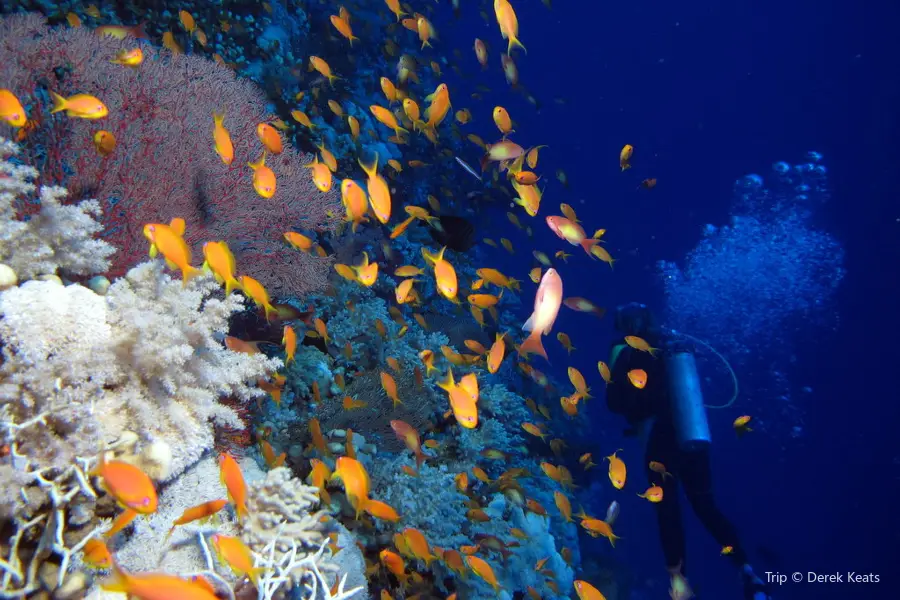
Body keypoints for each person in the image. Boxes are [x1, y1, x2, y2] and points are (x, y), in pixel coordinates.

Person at [605, 302, 771, 600]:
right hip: (692, 435)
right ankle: (748, 572)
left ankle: (679, 584)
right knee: (706, 506)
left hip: (660, 439)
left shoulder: (627, 349)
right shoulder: (672, 344)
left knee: (667, 511)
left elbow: (614, 402)